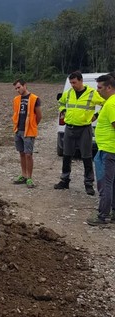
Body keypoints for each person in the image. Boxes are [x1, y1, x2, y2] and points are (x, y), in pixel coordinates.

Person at [54, 71, 104, 195]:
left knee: (86, 157)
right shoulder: (69, 93)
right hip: (69, 128)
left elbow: (106, 104)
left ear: (81, 81)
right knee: (66, 155)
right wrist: (63, 110)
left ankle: (88, 184)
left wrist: (97, 115)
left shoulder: (92, 94)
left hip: (84, 129)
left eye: (74, 82)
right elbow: (61, 102)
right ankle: (64, 180)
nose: (72, 85)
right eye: (70, 82)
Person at [87, 73, 115, 226]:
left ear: (109, 87)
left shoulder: (111, 104)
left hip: (108, 150)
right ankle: (112, 211)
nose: (97, 90)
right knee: (112, 182)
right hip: (109, 149)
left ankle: (102, 215)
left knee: (105, 183)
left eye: (99, 87)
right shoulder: (110, 102)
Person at [12, 79, 42, 188]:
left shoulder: (34, 99)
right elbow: (16, 113)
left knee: (28, 154)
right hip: (18, 130)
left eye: (19, 87)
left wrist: (33, 125)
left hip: (28, 131)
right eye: (16, 88)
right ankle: (23, 175)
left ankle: (29, 178)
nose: (17, 90)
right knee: (21, 153)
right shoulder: (16, 99)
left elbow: (39, 116)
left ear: (25, 85)